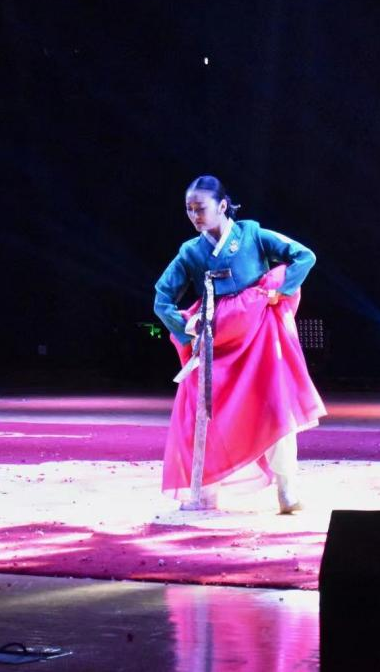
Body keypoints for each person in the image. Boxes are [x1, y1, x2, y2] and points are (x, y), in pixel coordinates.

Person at [154, 175, 326, 513]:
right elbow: (162, 298)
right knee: (204, 412)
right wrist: (188, 330)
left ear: (222, 205)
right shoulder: (191, 252)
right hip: (217, 341)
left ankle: (287, 491)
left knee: (276, 406)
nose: (194, 215)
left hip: (259, 336)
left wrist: (280, 290)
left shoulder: (252, 234)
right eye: (189, 209)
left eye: (200, 208)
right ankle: (206, 491)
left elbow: (304, 256)